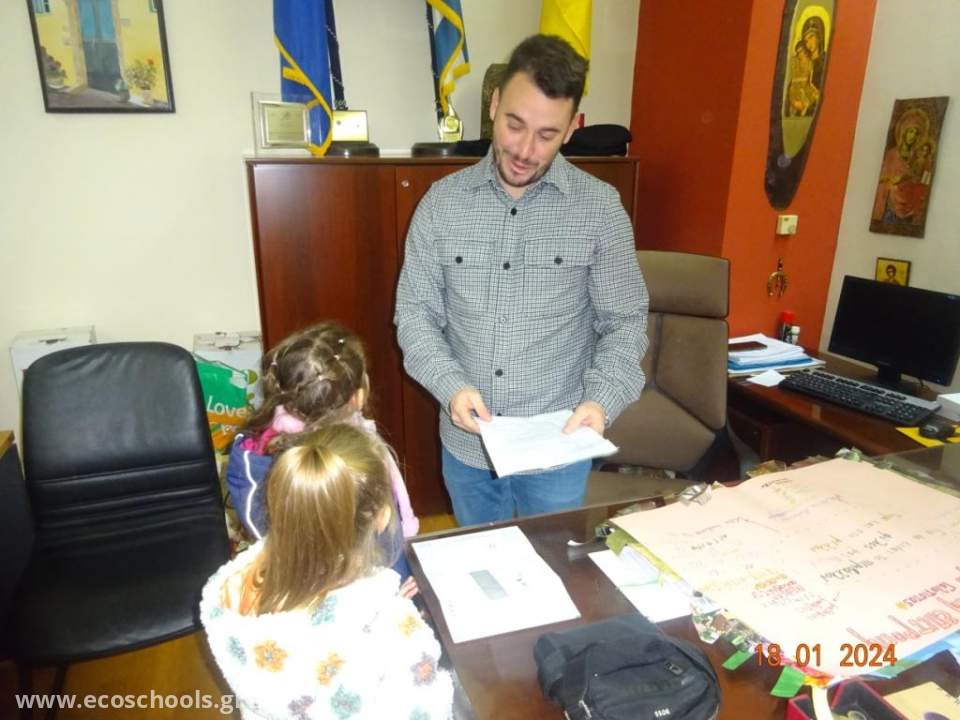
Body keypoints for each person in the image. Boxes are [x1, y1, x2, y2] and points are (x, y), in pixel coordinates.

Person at [394, 34, 648, 526]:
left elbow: (625, 322)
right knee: (478, 561)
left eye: (547, 134)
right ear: (493, 105)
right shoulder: (441, 204)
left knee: (554, 565)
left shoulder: (600, 210)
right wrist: (450, 386)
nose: (525, 151)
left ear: (572, 128)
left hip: (559, 447)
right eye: (514, 125)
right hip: (468, 449)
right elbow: (415, 315)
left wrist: (602, 400)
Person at [201, 425, 452, 720]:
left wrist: (383, 604)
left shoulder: (233, 589)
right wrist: (398, 617)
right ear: (382, 516)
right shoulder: (393, 629)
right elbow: (427, 709)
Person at [225, 322, 419, 578]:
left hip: (328, 579)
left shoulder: (252, 454)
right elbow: (381, 537)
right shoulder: (354, 457)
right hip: (355, 581)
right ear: (358, 396)